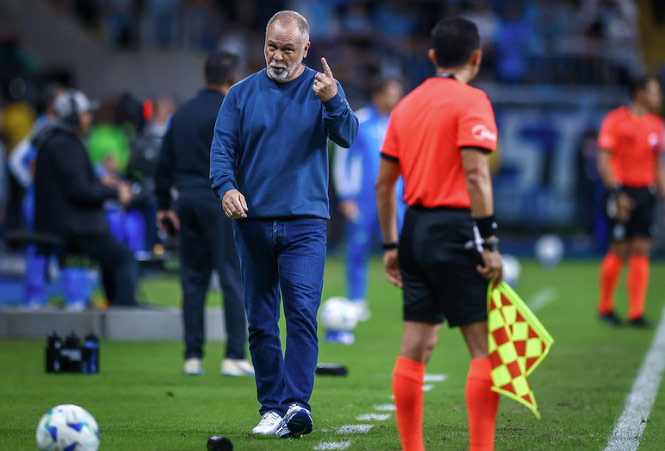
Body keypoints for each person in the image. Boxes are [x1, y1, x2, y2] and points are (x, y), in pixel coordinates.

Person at [210, 10, 358, 439]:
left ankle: (296, 405)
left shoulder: (322, 89)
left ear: (305, 49)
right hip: (252, 223)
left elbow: (348, 135)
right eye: (271, 47)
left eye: (287, 49)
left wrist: (333, 99)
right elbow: (221, 150)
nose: (277, 56)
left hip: (305, 224)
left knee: (301, 315)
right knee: (260, 321)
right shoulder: (239, 94)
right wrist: (226, 188)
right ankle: (271, 408)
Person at [376, 17, 503, 451]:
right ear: (476, 58)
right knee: (483, 347)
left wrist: (391, 245)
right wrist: (490, 242)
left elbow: (383, 185)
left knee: (415, 344)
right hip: (456, 229)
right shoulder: (473, 101)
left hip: (414, 229)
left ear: (432, 57)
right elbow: (476, 175)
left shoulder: (405, 105)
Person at [155, 51, 254, 377]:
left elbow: (163, 164)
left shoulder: (181, 113)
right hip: (222, 201)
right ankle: (234, 355)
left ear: (204, 75)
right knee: (231, 278)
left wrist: (163, 205)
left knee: (193, 280)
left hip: (186, 202)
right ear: (232, 78)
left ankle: (193, 357)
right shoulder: (232, 108)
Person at [33, 89, 139, 307]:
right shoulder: (65, 144)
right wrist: (115, 193)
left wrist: (103, 185)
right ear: (73, 116)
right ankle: (124, 311)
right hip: (72, 227)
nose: (89, 118)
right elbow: (80, 191)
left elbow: (77, 184)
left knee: (113, 257)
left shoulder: (59, 141)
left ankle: (116, 307)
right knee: (124, 258)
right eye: (85, 113)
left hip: (67, 222)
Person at [596, 76, 665, 328]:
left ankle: (636, 313)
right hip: (622, 191)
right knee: (619, 249)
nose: (658, 97)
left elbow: (658, 165)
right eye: (654, 92)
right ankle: (605, 307)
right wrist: (616, 193)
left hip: (646, 193)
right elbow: (603, 161)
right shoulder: (615, 121)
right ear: (639, 94)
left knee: (642, 249)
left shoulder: (656, 124)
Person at [332, 78, 406, 343]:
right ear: (378, 95)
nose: (396, 98)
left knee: (407, 249)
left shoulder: (399, 122)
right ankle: (357, 300)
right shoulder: (360, 121)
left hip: (396, 200)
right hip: (364, 199)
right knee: (357, 250)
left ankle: (415, 296)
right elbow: (343, 158)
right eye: (392, 93)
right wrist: (345, 195)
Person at [8, 85, 92, 310]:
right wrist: (35, 183)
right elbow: (17, 160)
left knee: (63, 247)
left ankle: (74, 298)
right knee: (41, 249)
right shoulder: (44, 129)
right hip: (41, 201)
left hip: (55, 201)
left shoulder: (62, 130)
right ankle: (38, 300)